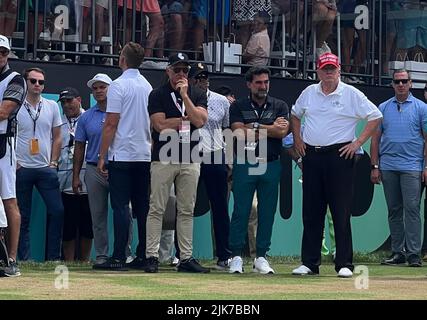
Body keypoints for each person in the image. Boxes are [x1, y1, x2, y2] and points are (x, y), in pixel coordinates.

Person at [291, 52, 382, 278]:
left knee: (340, 211)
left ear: (339, 69)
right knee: (311, 211)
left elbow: (375, 116)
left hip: (339, 156)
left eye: (332, 69)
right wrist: (298, 140)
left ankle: (344, 263)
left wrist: (358, 142)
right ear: (318, 70)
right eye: (325, 69)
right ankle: (310, 263)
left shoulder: (351, 94)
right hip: (312, 156)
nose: (329, 73)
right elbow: (295, 115)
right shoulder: (309, 92)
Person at [144, 52, 209, 273]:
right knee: (157, 208)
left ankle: (185, 258)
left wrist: (185, 97)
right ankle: (151, 256)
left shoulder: (198, 93)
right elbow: (160, 126)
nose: (181, 73)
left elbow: (199, 121)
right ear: (168, 71)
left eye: (184, 70)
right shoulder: (157, 94)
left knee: (186, 209)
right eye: (177, 69)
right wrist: (185, 119)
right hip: (164, 157)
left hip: (190, 158)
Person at [228, 66, 289, 274]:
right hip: (245, 162)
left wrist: (253, 127)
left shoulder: (279, 105)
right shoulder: (238, 105)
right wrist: (269, 128)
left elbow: (281, 133)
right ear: (249, 84)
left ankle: (261, 256)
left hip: (270, 162)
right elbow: (237, 134)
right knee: (241, 210)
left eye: (266, 82)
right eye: (258, 82)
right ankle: (235, 256)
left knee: (267, 212)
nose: (263, 86)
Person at [97, 42, 152, 270]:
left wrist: (102, 155)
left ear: (122, 60)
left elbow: (111, 123)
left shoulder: (118, 86)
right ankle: (143, 254)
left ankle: (119, 255)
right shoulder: (147, 85)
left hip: (122, 154)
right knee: (142, 207)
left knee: (120, 206)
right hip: (144, 154)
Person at [370, 69, 427, 267]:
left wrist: (426, 166)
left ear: (411, 83)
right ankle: (398, 252)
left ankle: (413, 254)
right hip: (389, 166)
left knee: (412, 209)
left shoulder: (422, 108)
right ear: (392, 84)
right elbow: (375, 139)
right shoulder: (383, 108)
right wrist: (375, 166)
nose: (401, 85)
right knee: (394, 209)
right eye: (397, 81)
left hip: (412, 165)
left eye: (404, 81)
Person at [16, 67, 64, 261]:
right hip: (21, 168)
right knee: (22, 216)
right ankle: (23, 258)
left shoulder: (52, 105)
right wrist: (16, 163)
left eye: (41, 82)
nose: (37, 85)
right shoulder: (16, 105)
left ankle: (53, 257)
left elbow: (58, 137)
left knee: (57, 211)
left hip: (45, 167)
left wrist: (53, 162)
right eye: (33, 81)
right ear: (25, 82)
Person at [188, 62, 232, 269]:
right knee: (186, 206)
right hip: (189, 154)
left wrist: (228, 159)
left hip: (215, 154)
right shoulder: (184, 98)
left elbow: (227, 131)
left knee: (220, 207)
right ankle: (183, 255)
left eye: (205, 77)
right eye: (198, 78)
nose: (202, 81)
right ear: (191, 80)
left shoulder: (221, 101)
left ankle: (224, 255)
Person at [73, 73, 112, 266]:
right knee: (97, 214)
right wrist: (76, 177)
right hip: (92, 169)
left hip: (118, 167)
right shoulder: (86, 117)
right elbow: (79, 147)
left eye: (102, 87)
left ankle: (124, 253)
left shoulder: (120, 113)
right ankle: (102, 255)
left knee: (124, 212)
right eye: (95, 88)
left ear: (110, 89)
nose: (98, 91)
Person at [0, 35, 26, 276]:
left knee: (9, 200)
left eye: (3, 52)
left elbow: (4, 111)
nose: (0, 56)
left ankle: (11, 257)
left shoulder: (15, 79)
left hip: (3, 144)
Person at [58, 87, 93, 262]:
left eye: (70, 100)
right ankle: (70, 262)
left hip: (88, 177)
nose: (66, 105)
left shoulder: (89, 117)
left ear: (79, 99)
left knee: (88, 225)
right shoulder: (58, 121)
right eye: (63, 102)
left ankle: (85, 261)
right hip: (64, 180)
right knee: (68, 226)